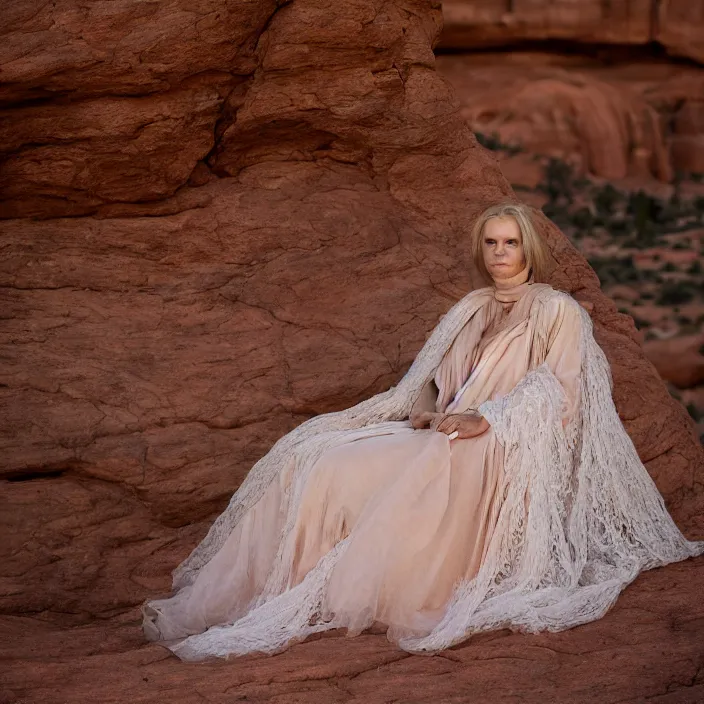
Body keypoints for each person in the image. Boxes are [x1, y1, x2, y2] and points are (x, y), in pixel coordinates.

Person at [141, 202, 704, 661]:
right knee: (316, 458)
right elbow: (429, 380)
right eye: (491, 243)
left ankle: (373, 589)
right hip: (440, 430)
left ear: (530, 248)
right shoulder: (470, 307)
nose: (501, 254)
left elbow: (562, 393)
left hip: (498, 445)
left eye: (510, 242)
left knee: (419, 472)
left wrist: (487, 418)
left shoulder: (557, 311)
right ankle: (262, 591)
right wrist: (425, 406)